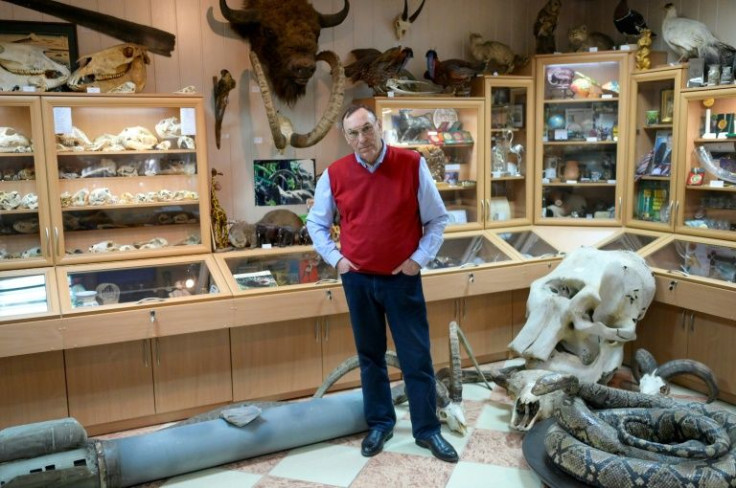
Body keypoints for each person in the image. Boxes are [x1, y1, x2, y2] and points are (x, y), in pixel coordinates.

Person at [306, 104, 457, 463]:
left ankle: (427, 430)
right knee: (370, 357)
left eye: (367, 129)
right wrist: (337, 260)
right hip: (357, 281)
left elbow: (438, 219)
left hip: (400, 280)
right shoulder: (335, 174)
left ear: (379, 128)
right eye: (353, 134)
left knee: (416, 357)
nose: (362, 139)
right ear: (346, 138)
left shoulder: (411, 164)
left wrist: (417, 261)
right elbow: (316, 223)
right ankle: (380, 423)